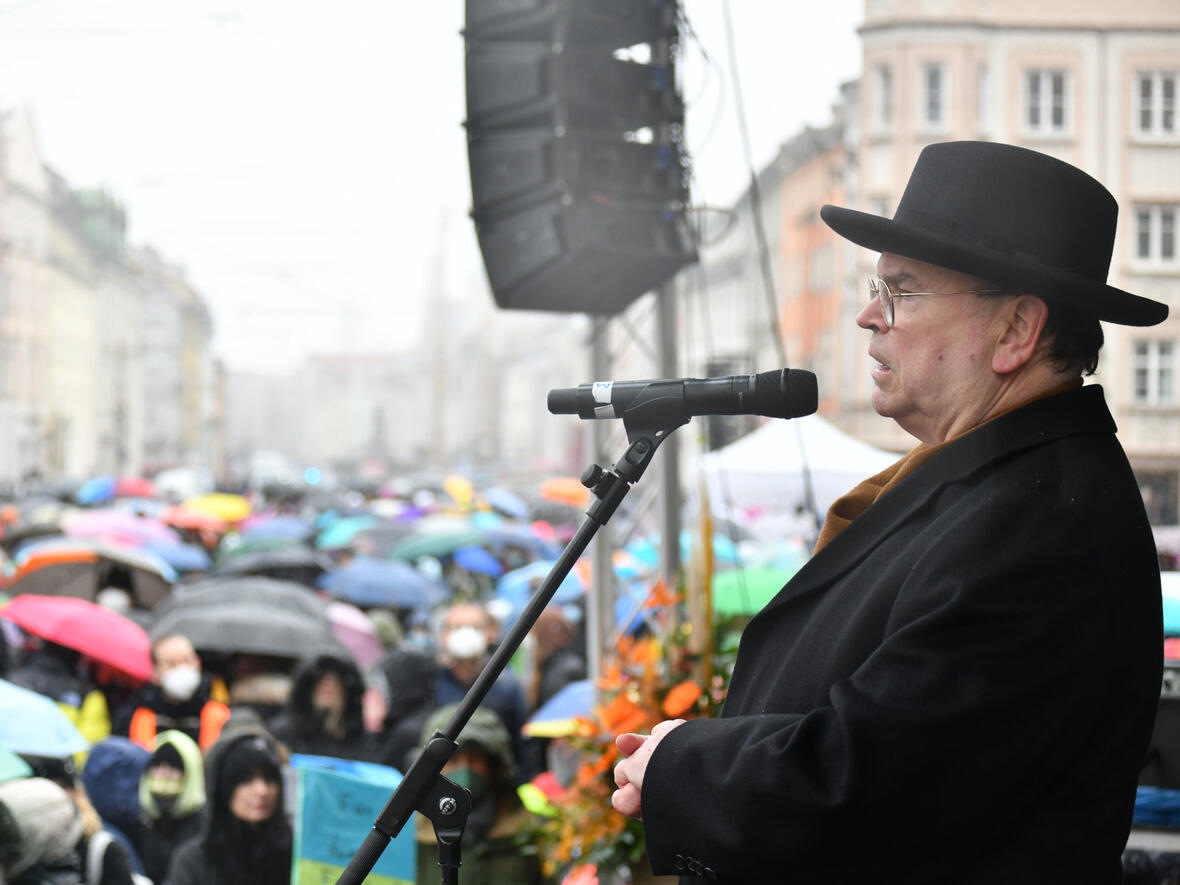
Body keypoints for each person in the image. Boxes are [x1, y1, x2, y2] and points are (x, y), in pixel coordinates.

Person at [611, 141, 1167, 883]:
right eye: (877, 287)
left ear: (1015, 331)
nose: (870, 316)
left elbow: (871, 785)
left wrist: (682, 763)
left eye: (901, 291)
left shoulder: (1038, 524)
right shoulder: (991, 483)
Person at [413, 705, 549, 885]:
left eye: (474, 760)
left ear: (493, 767)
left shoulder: (529, 833)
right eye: (453, 760)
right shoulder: (410, 837)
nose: (465, 770)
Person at [162, 730, 291, 885]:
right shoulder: (195, 862)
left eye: (269, 779)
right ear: (224, 788)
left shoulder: (293, 853)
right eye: (246, 780)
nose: (262, 791)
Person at [434, 603, 529, 776]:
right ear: (444, 636)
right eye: (457, 627)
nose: (465, 633)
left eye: (474, 627)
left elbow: (522, 742)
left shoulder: (506, 684)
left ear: (490, 633)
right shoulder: (432, 681)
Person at [114, 635, 229, 753]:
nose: (181, 668)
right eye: (171, 664)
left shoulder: (218, 714)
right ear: (155, 672)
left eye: (187, 660)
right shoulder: (134, 717)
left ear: (197, 662)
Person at [267, 653, 372, 761]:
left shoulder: (356, 736)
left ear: (345, 690)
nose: (327, 685)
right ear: (309, 688)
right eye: (321, 680)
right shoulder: (284, 732)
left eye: (334, 680)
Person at [136, 731, 206, 885]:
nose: (164, 773)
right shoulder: (141, 820)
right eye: (158, 765)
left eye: (174, 767)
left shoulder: (204, 824)